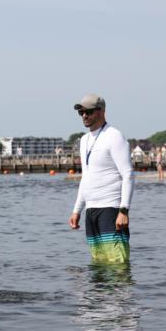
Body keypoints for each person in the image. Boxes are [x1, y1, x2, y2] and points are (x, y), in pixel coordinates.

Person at [68, 95, 133, 264]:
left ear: (102, 111)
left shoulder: (114, 136)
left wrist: (124, 210)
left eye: (88, 111)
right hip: (91, 211)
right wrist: (77, 210)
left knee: (117, 265)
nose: (84, 116)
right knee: (99, 265)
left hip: (110, 209)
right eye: (81, 112)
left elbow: (128, 174)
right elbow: (86, 177)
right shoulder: (84, 140)